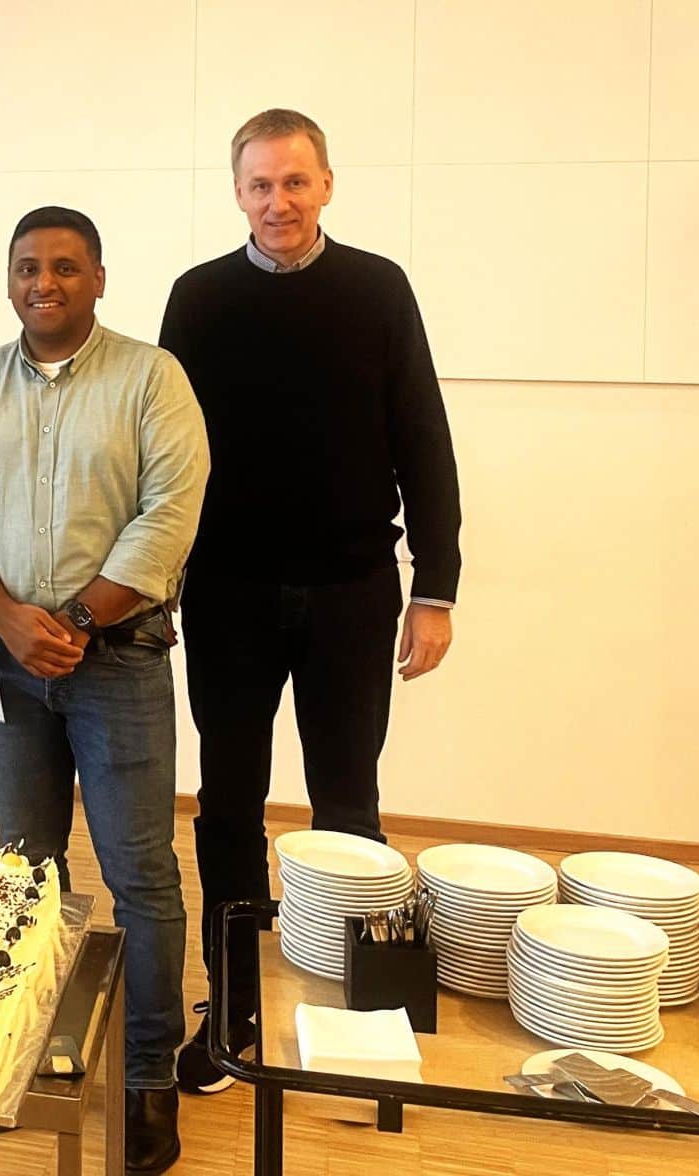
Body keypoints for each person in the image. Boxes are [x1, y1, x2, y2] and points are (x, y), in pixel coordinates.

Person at [158, 108, 462, 1094]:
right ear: (235, 191)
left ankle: (359, 1020)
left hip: (352, 593)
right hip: (227, 593)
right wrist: (157, 578)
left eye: (294, 182)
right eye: (258, 185)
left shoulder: (377, 290)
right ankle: (231, 1015)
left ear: (325, 184)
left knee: (346, 807)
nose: (276, 202)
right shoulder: (196, 300)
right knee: (228, 806)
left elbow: (422, 437)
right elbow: (162, 457)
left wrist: (437, 586)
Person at [0, 206, 208, 1176]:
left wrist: (75, 621)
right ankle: (32, 1051)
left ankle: (143, 1073)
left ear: (96, 278)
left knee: (140, 874)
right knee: (25, 867)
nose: (45, 282)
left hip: (115, 659)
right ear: (7, 280)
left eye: (65, 267)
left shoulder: (150, 378)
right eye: (27, 267)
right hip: (3, 659)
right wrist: (5, 617)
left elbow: (170, 510)